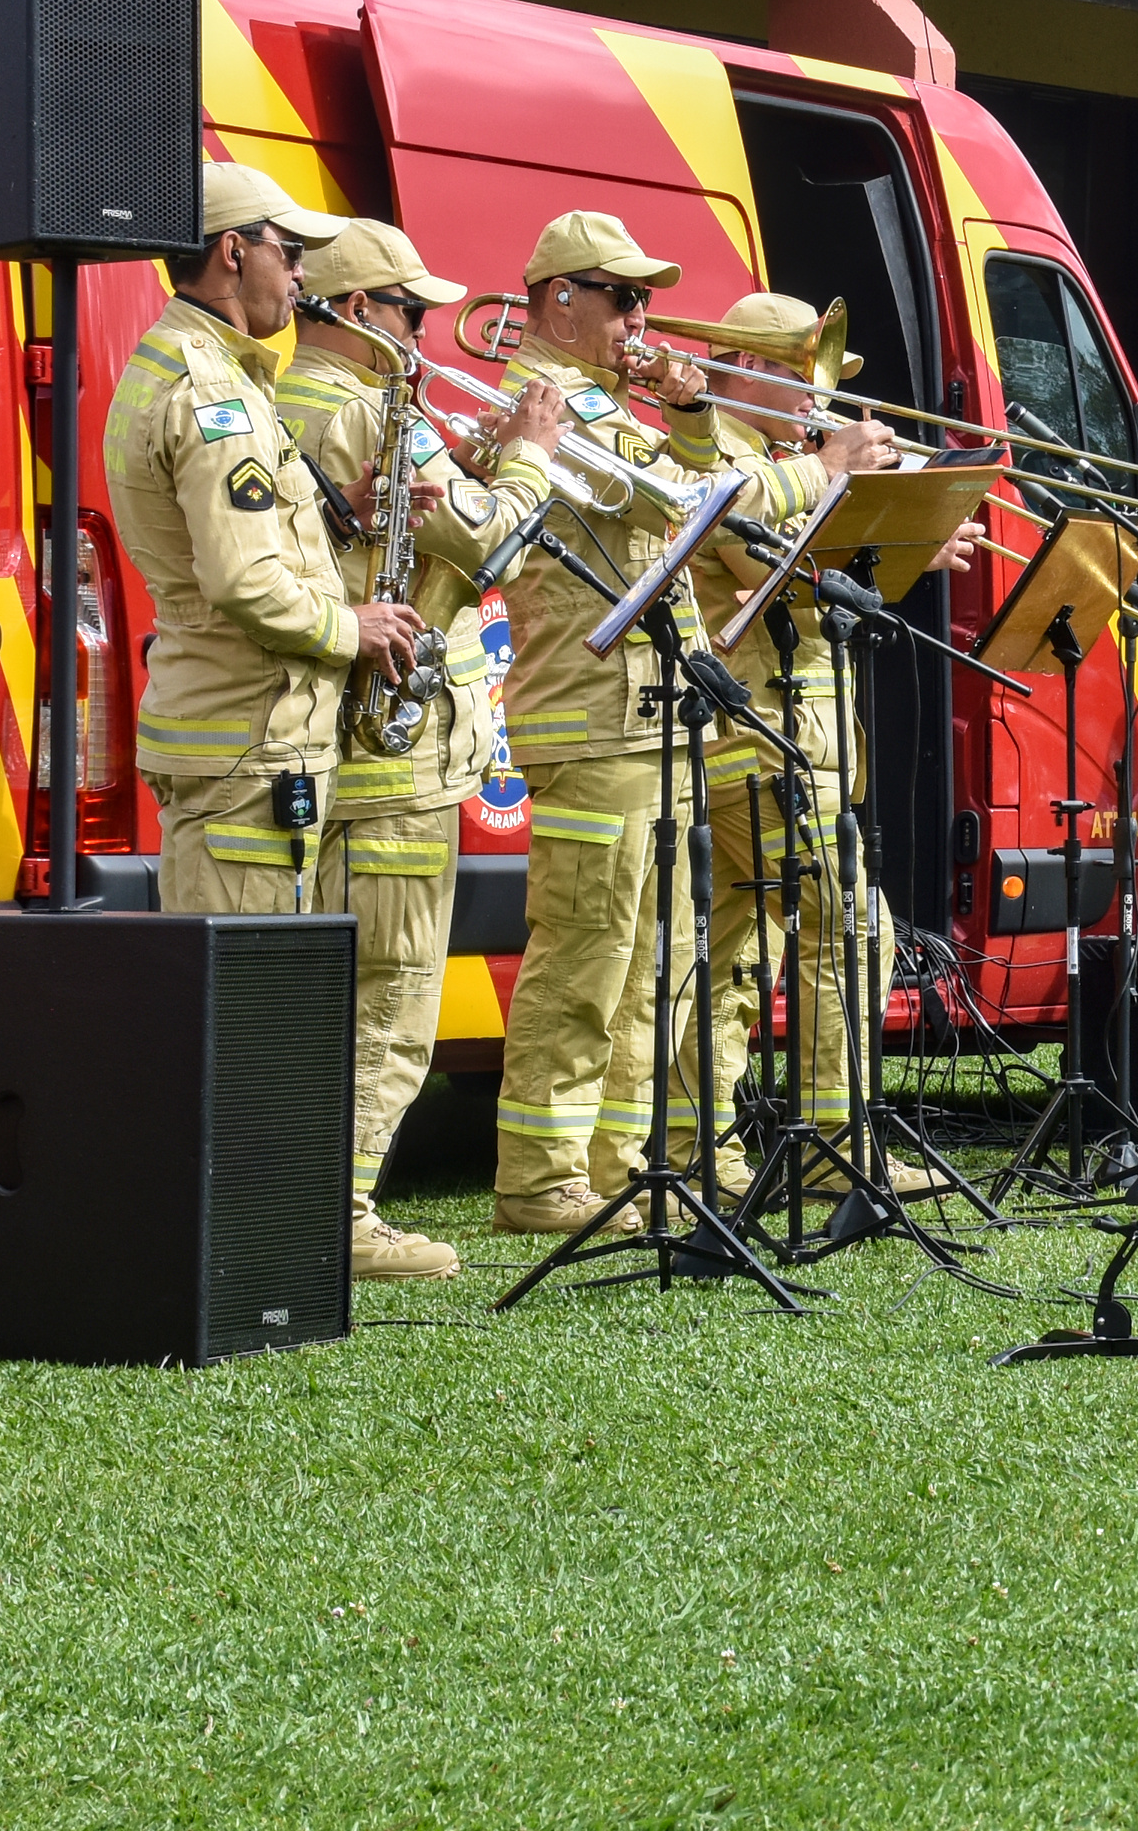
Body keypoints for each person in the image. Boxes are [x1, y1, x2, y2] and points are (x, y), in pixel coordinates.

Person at [273, 218, 565, 1282]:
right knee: (394, 990)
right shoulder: (370, 415)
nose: (427, 330)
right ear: (355, 312)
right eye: (410, 311)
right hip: (392, 752)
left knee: (321, 988)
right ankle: (341, 1212)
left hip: (326, 741)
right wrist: (529, 452)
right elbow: (489, 540)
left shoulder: (298, 401)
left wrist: (475, 462)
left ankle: (302, 1197)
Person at [483, 210, 735, 1235]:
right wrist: (683, 425)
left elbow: (686, 493)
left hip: (650, 714)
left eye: (645, 300)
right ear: (560, 299)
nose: (642, 318)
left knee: (653, 964)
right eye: (623, 297)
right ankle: (542, 1178)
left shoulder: (601, 401)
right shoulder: (543, 402)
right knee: (587, 956)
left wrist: (692, 410)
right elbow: (664, 502)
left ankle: (619, 1166)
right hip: (590, 717)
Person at [679, 295, 965, 1163]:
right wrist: (838, 480)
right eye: (810, 380)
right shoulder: (722, 457)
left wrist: (906, 539)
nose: (820, 403)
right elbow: (764, 569)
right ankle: (837, 1144)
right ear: (760, 370)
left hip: (787, 741)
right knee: (854, 926)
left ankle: (702, 1149)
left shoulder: (775, 460)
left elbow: (812, 586)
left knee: (726, 966)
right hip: (755, 739)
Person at [104, 163, 421, 927]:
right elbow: (244, 578)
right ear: (235, 252)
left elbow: (214, 528)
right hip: (249, 747)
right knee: (247, 1022)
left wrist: (334, 507)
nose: (303, 275)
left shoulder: (181, 363)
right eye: (291, 251)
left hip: (230, 743)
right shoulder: (216, 392)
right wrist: (356, 627)